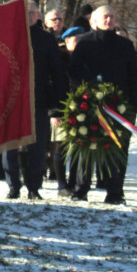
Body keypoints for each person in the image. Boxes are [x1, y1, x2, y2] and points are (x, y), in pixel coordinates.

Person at [67, 5, 137, 205]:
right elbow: (73, 72)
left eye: (112, 16)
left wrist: (133, 105)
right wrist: (87, 90)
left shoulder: (125, 45)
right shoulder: (85, 43)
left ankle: (115, 191)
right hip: (90, 105)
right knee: (87, 147)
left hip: (119, 107)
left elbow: (133, 76)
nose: (109, 20)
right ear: (95, 21)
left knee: (118, 149)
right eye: (105, 17)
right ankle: (81, 189)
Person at [4, 2, 66, 200]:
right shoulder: (7, 35)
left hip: (37, 99)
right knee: (10, 146)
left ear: (38, 16)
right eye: (22, 13)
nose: (27, 16)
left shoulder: (47, 40)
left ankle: (34, 187)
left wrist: (57, 103)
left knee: (37, 147)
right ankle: (13, 186)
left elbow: (57, 72)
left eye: (30, 13)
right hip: (11, 100)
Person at [51, 26, 84, 196]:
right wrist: (54, 112)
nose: (79, 43)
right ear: (67, 41)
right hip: (61, 109)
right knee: (61, 147)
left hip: (82, 109)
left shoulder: (85, 59)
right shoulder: (59, 59)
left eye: (81, 39)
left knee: (78, 147)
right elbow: (52, 85)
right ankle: (61, 185)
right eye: (75, 40)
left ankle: (73, 183)